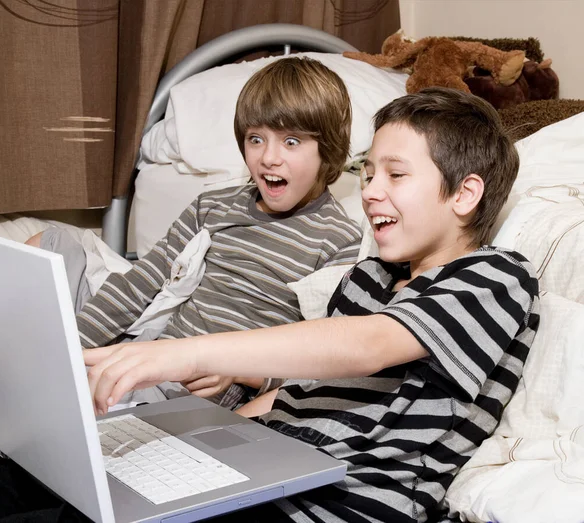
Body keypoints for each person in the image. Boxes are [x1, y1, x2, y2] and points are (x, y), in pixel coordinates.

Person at [84, 87, 540, 523]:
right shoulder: (368, 278)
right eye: (368, 173)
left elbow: (370, 344)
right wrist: (193, 442)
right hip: (266, 473)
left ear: (464, 194)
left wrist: (182, 352)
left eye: (395, 175)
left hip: (340, 503)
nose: (369, 191)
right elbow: (296, 391)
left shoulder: (496, 277)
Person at [27, 56, 362, 410]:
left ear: (329, 149)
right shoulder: (213, 207)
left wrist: (240, 371)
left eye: (291, 142)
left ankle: (46, 387)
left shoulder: (338, 241)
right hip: (153, 348)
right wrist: (72, 352)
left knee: (98, 396)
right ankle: (41, 369)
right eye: (256, 139)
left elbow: (321, 361)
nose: (269, 158)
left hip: (190, 390)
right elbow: (140, 285)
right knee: (49, 246)